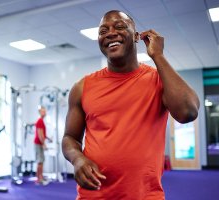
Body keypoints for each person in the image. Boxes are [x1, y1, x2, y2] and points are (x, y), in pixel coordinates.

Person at [62, 10, 200, 200]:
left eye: (119, 27)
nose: (110, 33)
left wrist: (158, 56)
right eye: (103, 31)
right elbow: (70, 138)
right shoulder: (82, 87)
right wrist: (77, 159)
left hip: (145, 195)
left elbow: (188, 112)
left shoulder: (159, 79)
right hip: (93, 195)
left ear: (137, 36)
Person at [34, 105, 51, 185]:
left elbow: (42, 133)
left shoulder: (41, 121)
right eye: (42, 111)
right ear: (40, 112)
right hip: (38, 143)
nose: (44, 112)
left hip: (39, 143)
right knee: (40, 161)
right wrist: (44, 144)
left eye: (45, 111)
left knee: (41, 161)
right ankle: (39, 179)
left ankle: (40, 177)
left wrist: (47, 138)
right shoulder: (40, 121)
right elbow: (40, 134)